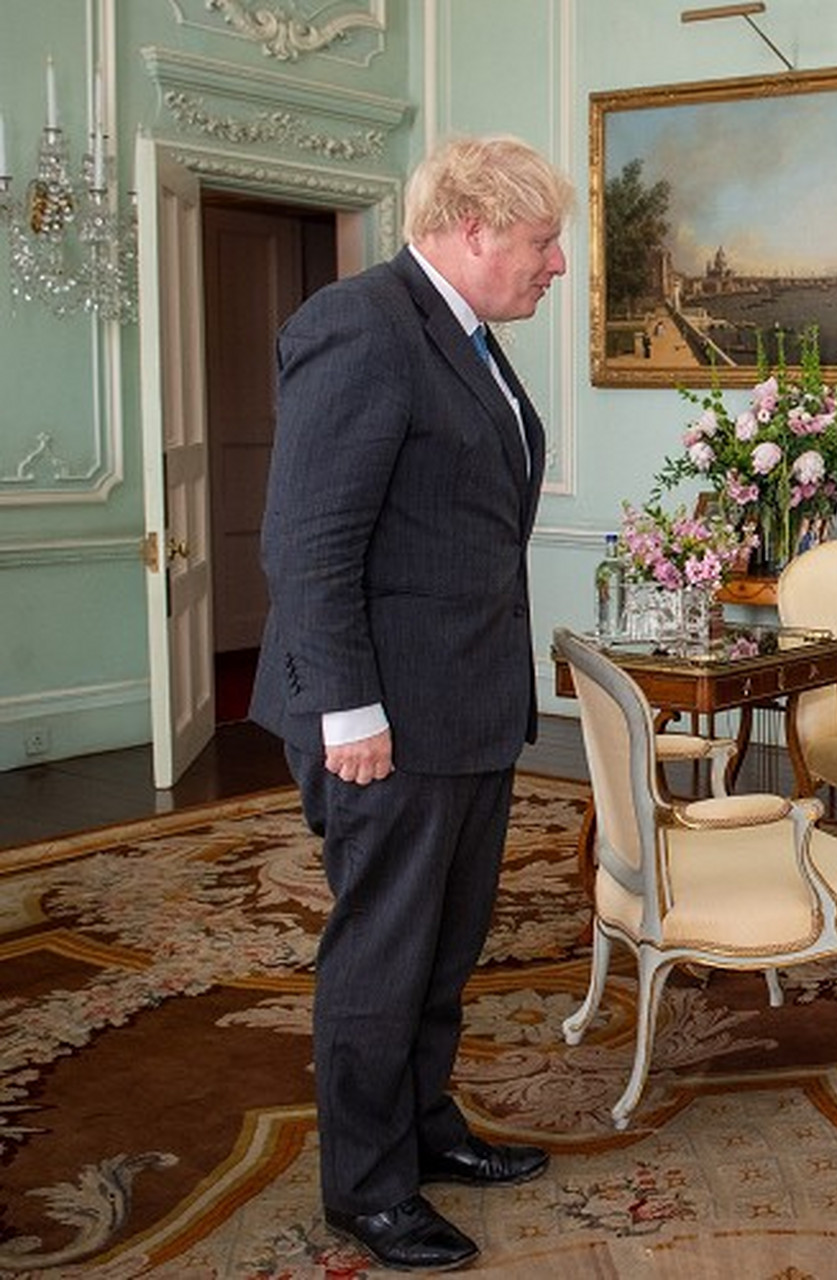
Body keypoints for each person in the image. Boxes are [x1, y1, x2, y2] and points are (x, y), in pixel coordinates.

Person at [250, 134, 572, 1270]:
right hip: (383, 717)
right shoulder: (364, 325)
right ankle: (367, 1186)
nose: (560, 264)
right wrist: (347, 714)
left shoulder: (465, 337)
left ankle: (425, 1127)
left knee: (443, 947)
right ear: (474, 227)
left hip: (464, 706)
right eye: (543, 241)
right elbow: (308, 544)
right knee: (382, 954)